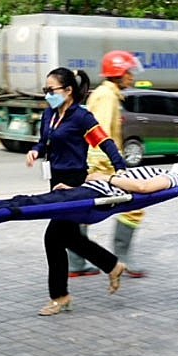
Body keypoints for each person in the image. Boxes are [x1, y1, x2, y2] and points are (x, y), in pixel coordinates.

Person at [26, 67, 129, 316]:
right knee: (69, 237)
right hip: (55, 181)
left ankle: (60, 297)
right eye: (45, 90)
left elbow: (105, 141)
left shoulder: (81, 117)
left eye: (51, 90)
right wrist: (36, 151)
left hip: (74, 184)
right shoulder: (49, 115)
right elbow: (44, 142)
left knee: (53, 238)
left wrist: (120, 168)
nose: (47, 95)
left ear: (68, 91)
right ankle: (112, 266)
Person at [68, 50, 147, 278]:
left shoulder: (107, 94)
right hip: (102, 166)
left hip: (98, 164)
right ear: (118, 73)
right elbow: (98, 134)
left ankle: (75, 263)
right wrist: (108, 169)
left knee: (81, 210)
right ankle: (122, 257)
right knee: (135, 205)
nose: (132, 77)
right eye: (128, 72)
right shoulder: (107, 97)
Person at [0, 161, 178, 210]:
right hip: (95, 188)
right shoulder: (169, 171)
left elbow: (144, 188)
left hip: (99, 191)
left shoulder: (174, 179)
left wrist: (104, 179)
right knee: (35, 200)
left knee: (31, 203)